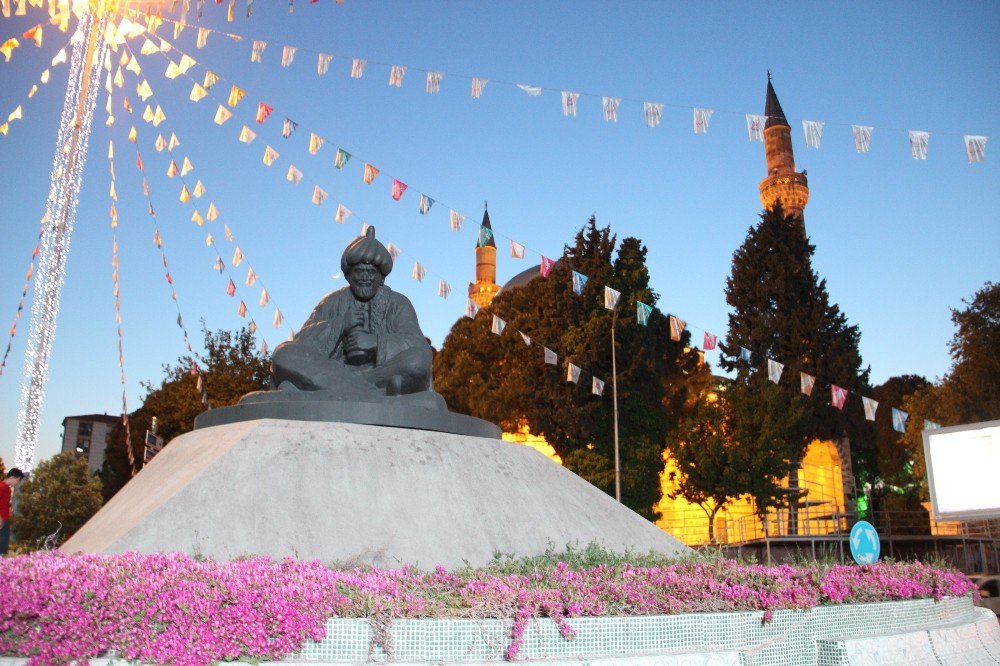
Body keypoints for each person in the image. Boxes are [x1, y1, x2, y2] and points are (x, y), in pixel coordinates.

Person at [271, 226, 434, 397]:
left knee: (418, 361)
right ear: (348, 276)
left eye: (371, 272)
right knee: (283, 353)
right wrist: (340, 325)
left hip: (379, 375)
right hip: (333, 374)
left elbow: (418, 346)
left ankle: (336, 392)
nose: (365, 277)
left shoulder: (398, 303)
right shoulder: (331, 302)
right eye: (359, 271)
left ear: (382, 278)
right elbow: (302, 344)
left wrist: (376, 343)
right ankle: (373, 394)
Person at [0, 468, 25, 556]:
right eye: (17, 480)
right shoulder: (1, 487)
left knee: (3, 545)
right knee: (2, 545)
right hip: (1, 520)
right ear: (12, 477)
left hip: (5, 520)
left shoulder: (7, 489)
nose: (17, 483)